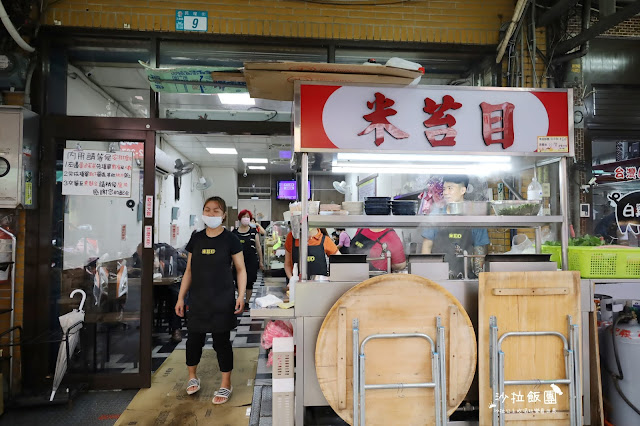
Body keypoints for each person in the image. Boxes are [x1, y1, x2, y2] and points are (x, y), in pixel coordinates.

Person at [175, 196, 246, 404]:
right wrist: (181, 297)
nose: (211, 213)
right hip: (198, 299)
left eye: (216, 210)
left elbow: (241, 270)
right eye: (208, 209)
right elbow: (188, 270)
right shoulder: (196, 238)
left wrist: (240, 295)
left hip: (222, 299)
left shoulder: (230, 239)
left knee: (221, 342)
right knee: (194, 340)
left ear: (224, 215)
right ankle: (192, 377)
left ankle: (225, 384)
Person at [421, 175, 489, 279]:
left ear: (463, 190)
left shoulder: (474, 218)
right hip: (438, 278)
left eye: (450, 188)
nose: (445, 193)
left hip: (467, 279)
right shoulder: (436, 215)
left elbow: (479, 254)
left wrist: (478, 279)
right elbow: (426, 247)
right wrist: (427, 275)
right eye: (444, 189)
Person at [232, 209, 264, 310]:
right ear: (240, 218)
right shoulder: (234, 233)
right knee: (237, 282)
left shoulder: (254, 232)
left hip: (251, 261)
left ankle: (246, 302)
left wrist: (261, 261)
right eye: (243, 216)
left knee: (249, 282)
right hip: (237, 261)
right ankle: (240, 298)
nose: (245, 219)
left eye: (247, 217)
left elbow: (258, 247)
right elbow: (230, 249)